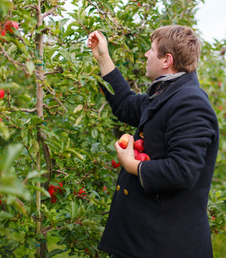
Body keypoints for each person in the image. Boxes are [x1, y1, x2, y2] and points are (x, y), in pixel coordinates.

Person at [87, 25, 219, 258]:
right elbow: (126, 105)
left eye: (151, 50)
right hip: (148, 238)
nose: (146, 55)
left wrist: (133, 165)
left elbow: (183, 170)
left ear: (167, 60)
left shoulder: (190, 104)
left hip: (164, 244)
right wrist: (103, 57)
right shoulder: (168, 94)